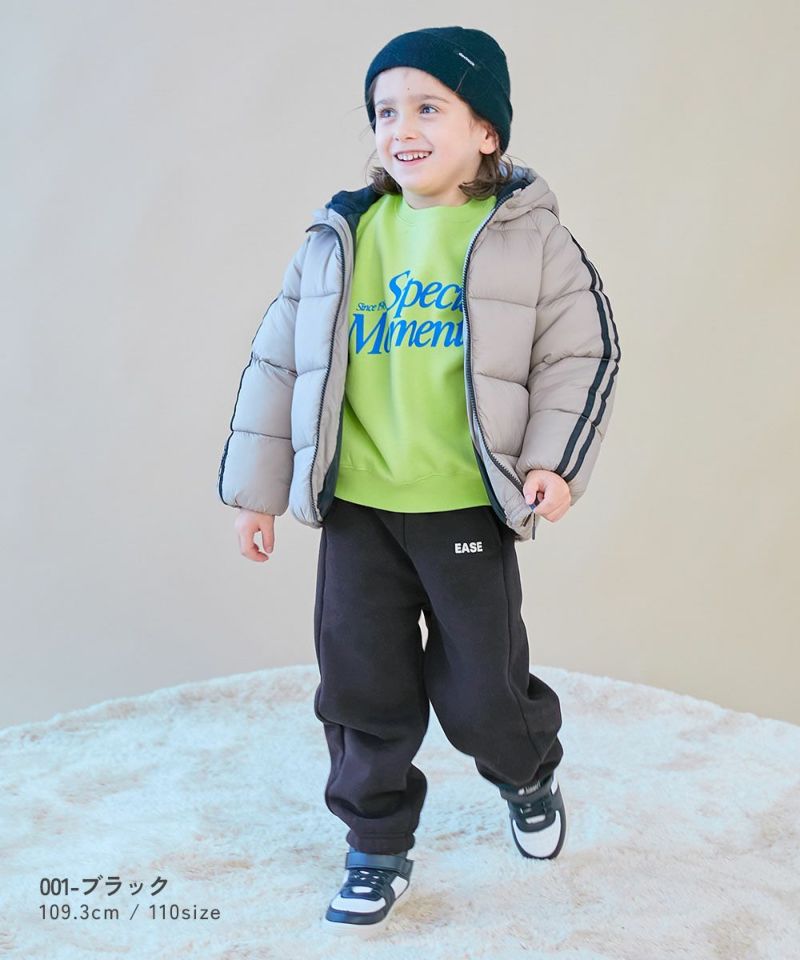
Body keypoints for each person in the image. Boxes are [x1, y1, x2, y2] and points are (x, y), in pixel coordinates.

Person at [217, 25, 621, 936]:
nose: (401, 128)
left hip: (464, 507)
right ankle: (374, 845)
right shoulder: (342, 236)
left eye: (428, 107)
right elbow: (277, 364)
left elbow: (581, 355)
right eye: (385, 111)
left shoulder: (529, 238)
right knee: (360, 686)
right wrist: (256, 493)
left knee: (483, 694)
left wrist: (553, 462)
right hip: (360, 509)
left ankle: (528, 773)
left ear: (487, 131)